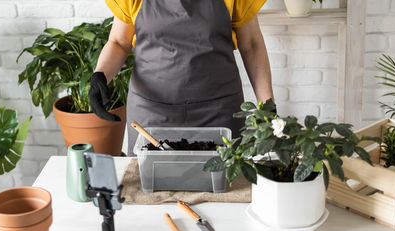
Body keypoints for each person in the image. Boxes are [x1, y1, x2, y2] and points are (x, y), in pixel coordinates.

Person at [88, 0, 274, 155]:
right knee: (149, 190)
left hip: (220, 114)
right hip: (151, 114)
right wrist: (100, 76)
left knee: (225, 189)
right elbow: (119, 42)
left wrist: (268, 109)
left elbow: (251, 44)